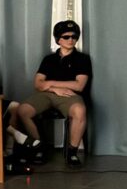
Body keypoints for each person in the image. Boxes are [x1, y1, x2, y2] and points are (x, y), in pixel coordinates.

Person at [11, 20, 91, 167]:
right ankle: (38, 145)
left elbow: (79, 85)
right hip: (47, 94)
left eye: (74, 36)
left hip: (69, 95)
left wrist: (50, 84)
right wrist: (53, 89)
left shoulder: (82, 59)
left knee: (80, 110)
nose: (71, 40)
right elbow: (38, 84)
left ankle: (72, 152)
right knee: (22, 110)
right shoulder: (48, 59)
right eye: (66, 37)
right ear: (58, 39)